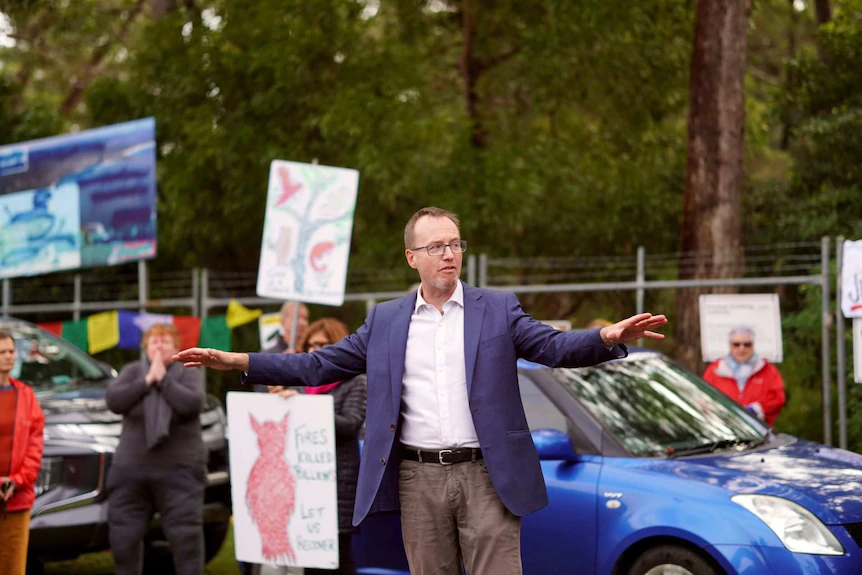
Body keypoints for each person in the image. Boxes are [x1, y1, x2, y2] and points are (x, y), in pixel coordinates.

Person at [176, 206, 667, 575]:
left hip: (488, 476)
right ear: (412, 258)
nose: (449, 253)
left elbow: (553, 346)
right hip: (417, 478)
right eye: (436, 246)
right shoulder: (386, 320)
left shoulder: (496, 309)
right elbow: (319, 363)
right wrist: (238, 360)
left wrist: (605, 338)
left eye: (455, 243)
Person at [105, 323, 207, 575]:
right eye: (154, 342)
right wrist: (147, 381)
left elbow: (192, 404)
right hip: (131, 474)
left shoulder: (188, 372)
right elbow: (114, 401)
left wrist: (163, 381)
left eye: (165, 342)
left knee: (186, 540)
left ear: (176, 348)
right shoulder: (133, 372)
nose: (159, 346)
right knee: (123, 540)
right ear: (145, 348)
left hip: (179, 473)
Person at [275, 319, 367, 575]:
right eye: (311, 344)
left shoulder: (355, 381)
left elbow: (349, 425)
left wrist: (305, 407)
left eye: (323, 344)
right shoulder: (299, 384)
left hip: (338, 483)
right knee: (310, 557)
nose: (316, 349)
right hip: (304, 482)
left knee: (337, 557)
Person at [0, 330, 45, 575]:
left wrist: (17, 480)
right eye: (1, 352)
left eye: (10, 351)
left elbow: (35, 445)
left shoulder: (26, 395)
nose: (8, 357)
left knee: (13, 566)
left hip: (15, 497)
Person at [702, 325, 786, 426]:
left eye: (747, 344)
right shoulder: (715, 370)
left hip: (758, 430)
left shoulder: (768, 370)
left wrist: (756, 409)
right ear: (730, 345)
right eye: (736, 344)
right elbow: (703, 399)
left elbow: (777, 399)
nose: (742, 348)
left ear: (753, 345)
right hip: (722, 429)